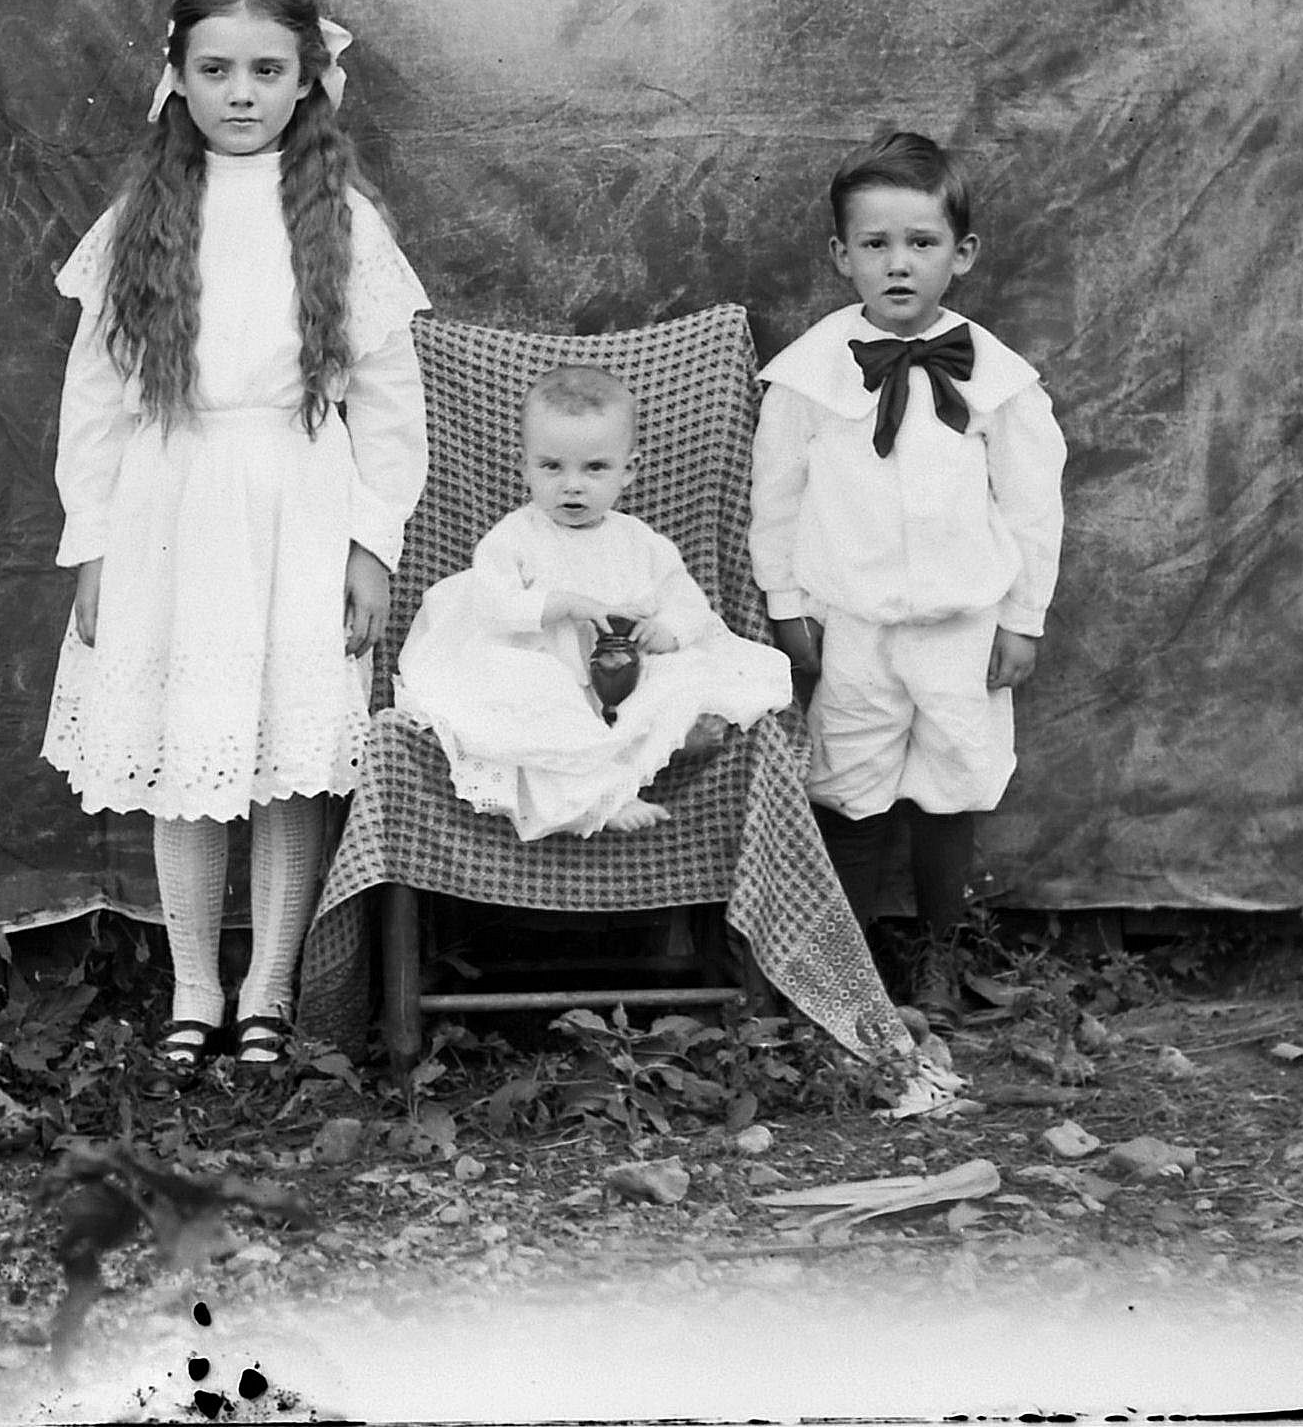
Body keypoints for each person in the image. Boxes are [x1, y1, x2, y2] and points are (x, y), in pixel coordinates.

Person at [40, 0, 429, 1073]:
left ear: (308, 82)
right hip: (170, 502)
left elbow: (389, 404)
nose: (242, 93)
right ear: (178, 77)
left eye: (267, 70)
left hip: (298, 499)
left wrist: (370, 543)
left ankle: (269, 988)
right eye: (216, 69)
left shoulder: (342, 222)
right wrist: (93, 543)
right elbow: (95, 399)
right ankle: (194, 986)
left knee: (289, 755)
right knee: (190, 745)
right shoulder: (142, 218)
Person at [748, 131, 1065, 1023]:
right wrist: (786, 606)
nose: (898, 263)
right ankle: (846, 970)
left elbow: (1032, 506)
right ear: (839, 255)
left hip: (963, 628)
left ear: (961, 255)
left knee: (952, 782)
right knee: (849, 782)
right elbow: (775, 499)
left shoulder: (998, 379)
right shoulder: (807, 377)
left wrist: (1024, 617)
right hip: (850, 624)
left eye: (921, 242)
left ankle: (937, 955)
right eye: (876, 243)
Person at [392, 366, 792, 839]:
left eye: (595, 468)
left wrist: (668, 630)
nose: (572, 485)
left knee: (686, 673)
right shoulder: (515, 538)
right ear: (524, 467)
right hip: (543, 668)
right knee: (531, 709)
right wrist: (561, 604)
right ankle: (598, 797)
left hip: (622, 674)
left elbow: (687, 603)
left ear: (628, 470)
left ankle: (664, 739)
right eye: (551, 467)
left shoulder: (641, 544)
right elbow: (494, 604)